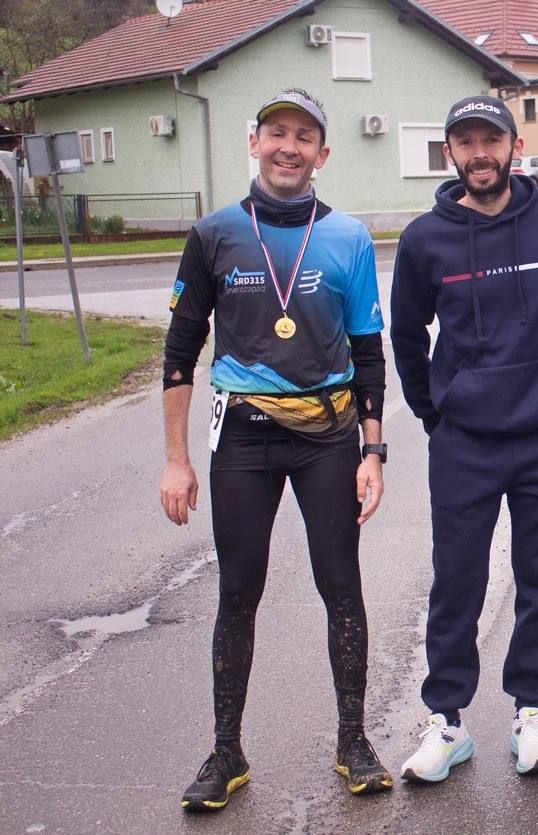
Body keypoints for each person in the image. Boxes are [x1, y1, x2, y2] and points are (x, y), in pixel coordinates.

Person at [159, 88, 392, 810]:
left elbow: (368, 352)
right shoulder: (214, 234)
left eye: (304, 137)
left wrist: (373, 452)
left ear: (323, 154)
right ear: (254, 142)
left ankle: (353, 741)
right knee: (238, 590)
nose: (289, 147)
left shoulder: (348, 237)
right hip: (243, 439)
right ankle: (226, 751)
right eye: (277, 133)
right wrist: (176, 460)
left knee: (340, 585)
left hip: (328, 437)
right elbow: (179, 352)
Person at [390, 95, 538, 780]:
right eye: (466, 142)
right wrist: (437, 413)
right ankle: (446, 721)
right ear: (450, 153)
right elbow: (406, 336)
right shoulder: (424, 239)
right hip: (464, 440)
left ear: (514, 146)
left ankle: (530, 712)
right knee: (457, 581)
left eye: (490, 140)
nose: (480, 154)